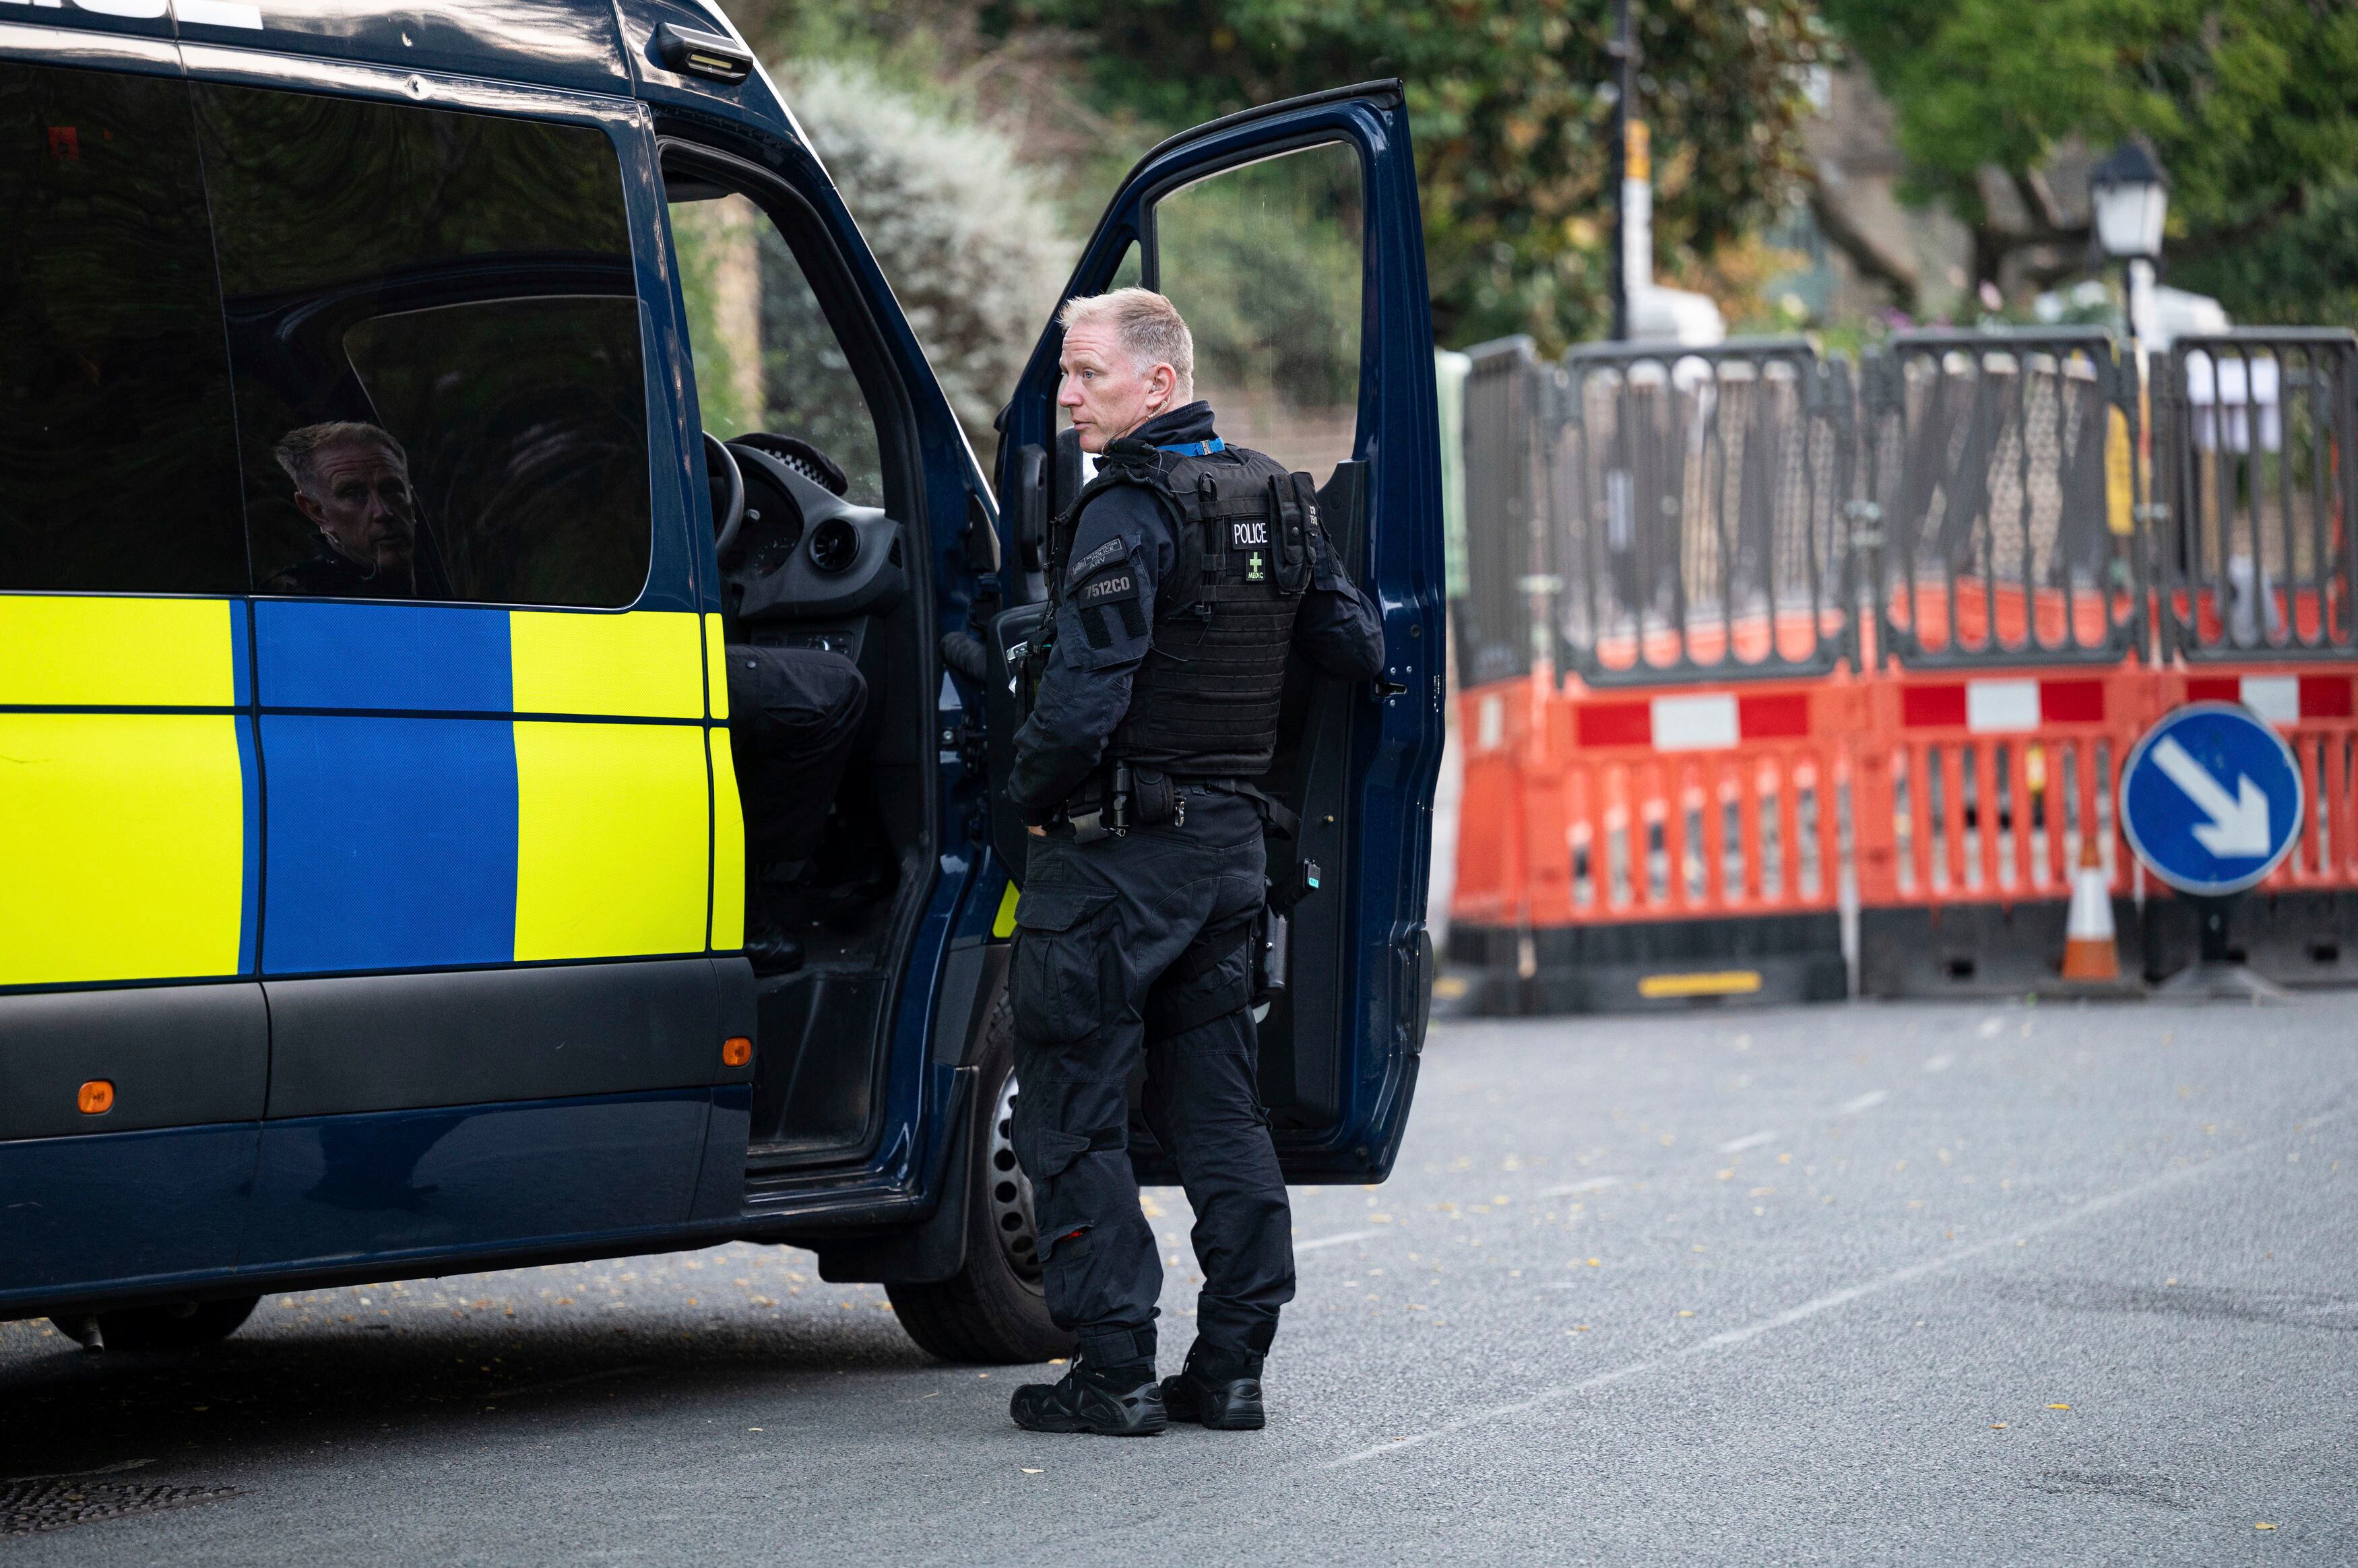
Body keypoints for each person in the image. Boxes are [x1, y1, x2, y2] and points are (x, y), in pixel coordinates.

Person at [1003, 288, 1384, 1437]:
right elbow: (1355, 645)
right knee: (1221, 1109)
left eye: (1089, 376)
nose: (1070, 396)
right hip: (1227, 858)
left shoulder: (1129, 507)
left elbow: (1081, 702)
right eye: (1067, 376)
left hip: (1116, 860)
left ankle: (1113, 1368)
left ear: (1157, 384)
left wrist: (1017, 801)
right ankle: (1231, 1366)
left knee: (1069, 1112)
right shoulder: (1275, 493)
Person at [266, 421, 420, 597]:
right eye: (354, 494)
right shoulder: (298, 601)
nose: (383, 512)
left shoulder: (440, 573)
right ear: (317, 512)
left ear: (412, 500)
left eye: (392, 490)